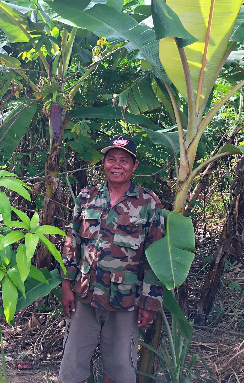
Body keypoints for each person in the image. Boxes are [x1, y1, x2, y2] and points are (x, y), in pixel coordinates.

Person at [59, 135, 165, 383]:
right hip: (85, 294)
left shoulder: (148, 203)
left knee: (119, 370)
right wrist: (66, 284)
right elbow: (72, 241)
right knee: (72, 368)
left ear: (134, 166)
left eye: (124, 161)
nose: (117, 165)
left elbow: (155, 256)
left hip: (125, 300)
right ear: (104, 163)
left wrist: (149, 302)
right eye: (111, 159)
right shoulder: (87, 196)